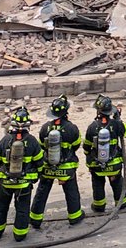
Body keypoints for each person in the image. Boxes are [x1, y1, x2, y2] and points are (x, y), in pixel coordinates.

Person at [0, 107, 43, 241]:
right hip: (24, 184)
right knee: (22, 210)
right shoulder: (32, 141)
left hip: (5, 183)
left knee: (0, 208)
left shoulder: (5, 140)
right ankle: (19, 235)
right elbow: (40, 164)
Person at [30, 95, 83, 228]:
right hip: (66, 168)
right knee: (71, 192)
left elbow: (41, 146)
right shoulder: (72, 128)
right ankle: (75, 216)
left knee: (41, 193)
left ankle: (35, 219)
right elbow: (76, 145)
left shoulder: (45, 128)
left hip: (47, 168)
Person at [83, 95, 126, 213]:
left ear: (98, 111)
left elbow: (86, 148)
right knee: (117, 181)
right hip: (114, 165)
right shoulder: (116, 124)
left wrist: (89, 160)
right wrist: (119, 119)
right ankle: (122, 202)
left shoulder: (92, 127)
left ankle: (99, 205)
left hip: (97, 166)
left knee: (98, 183)